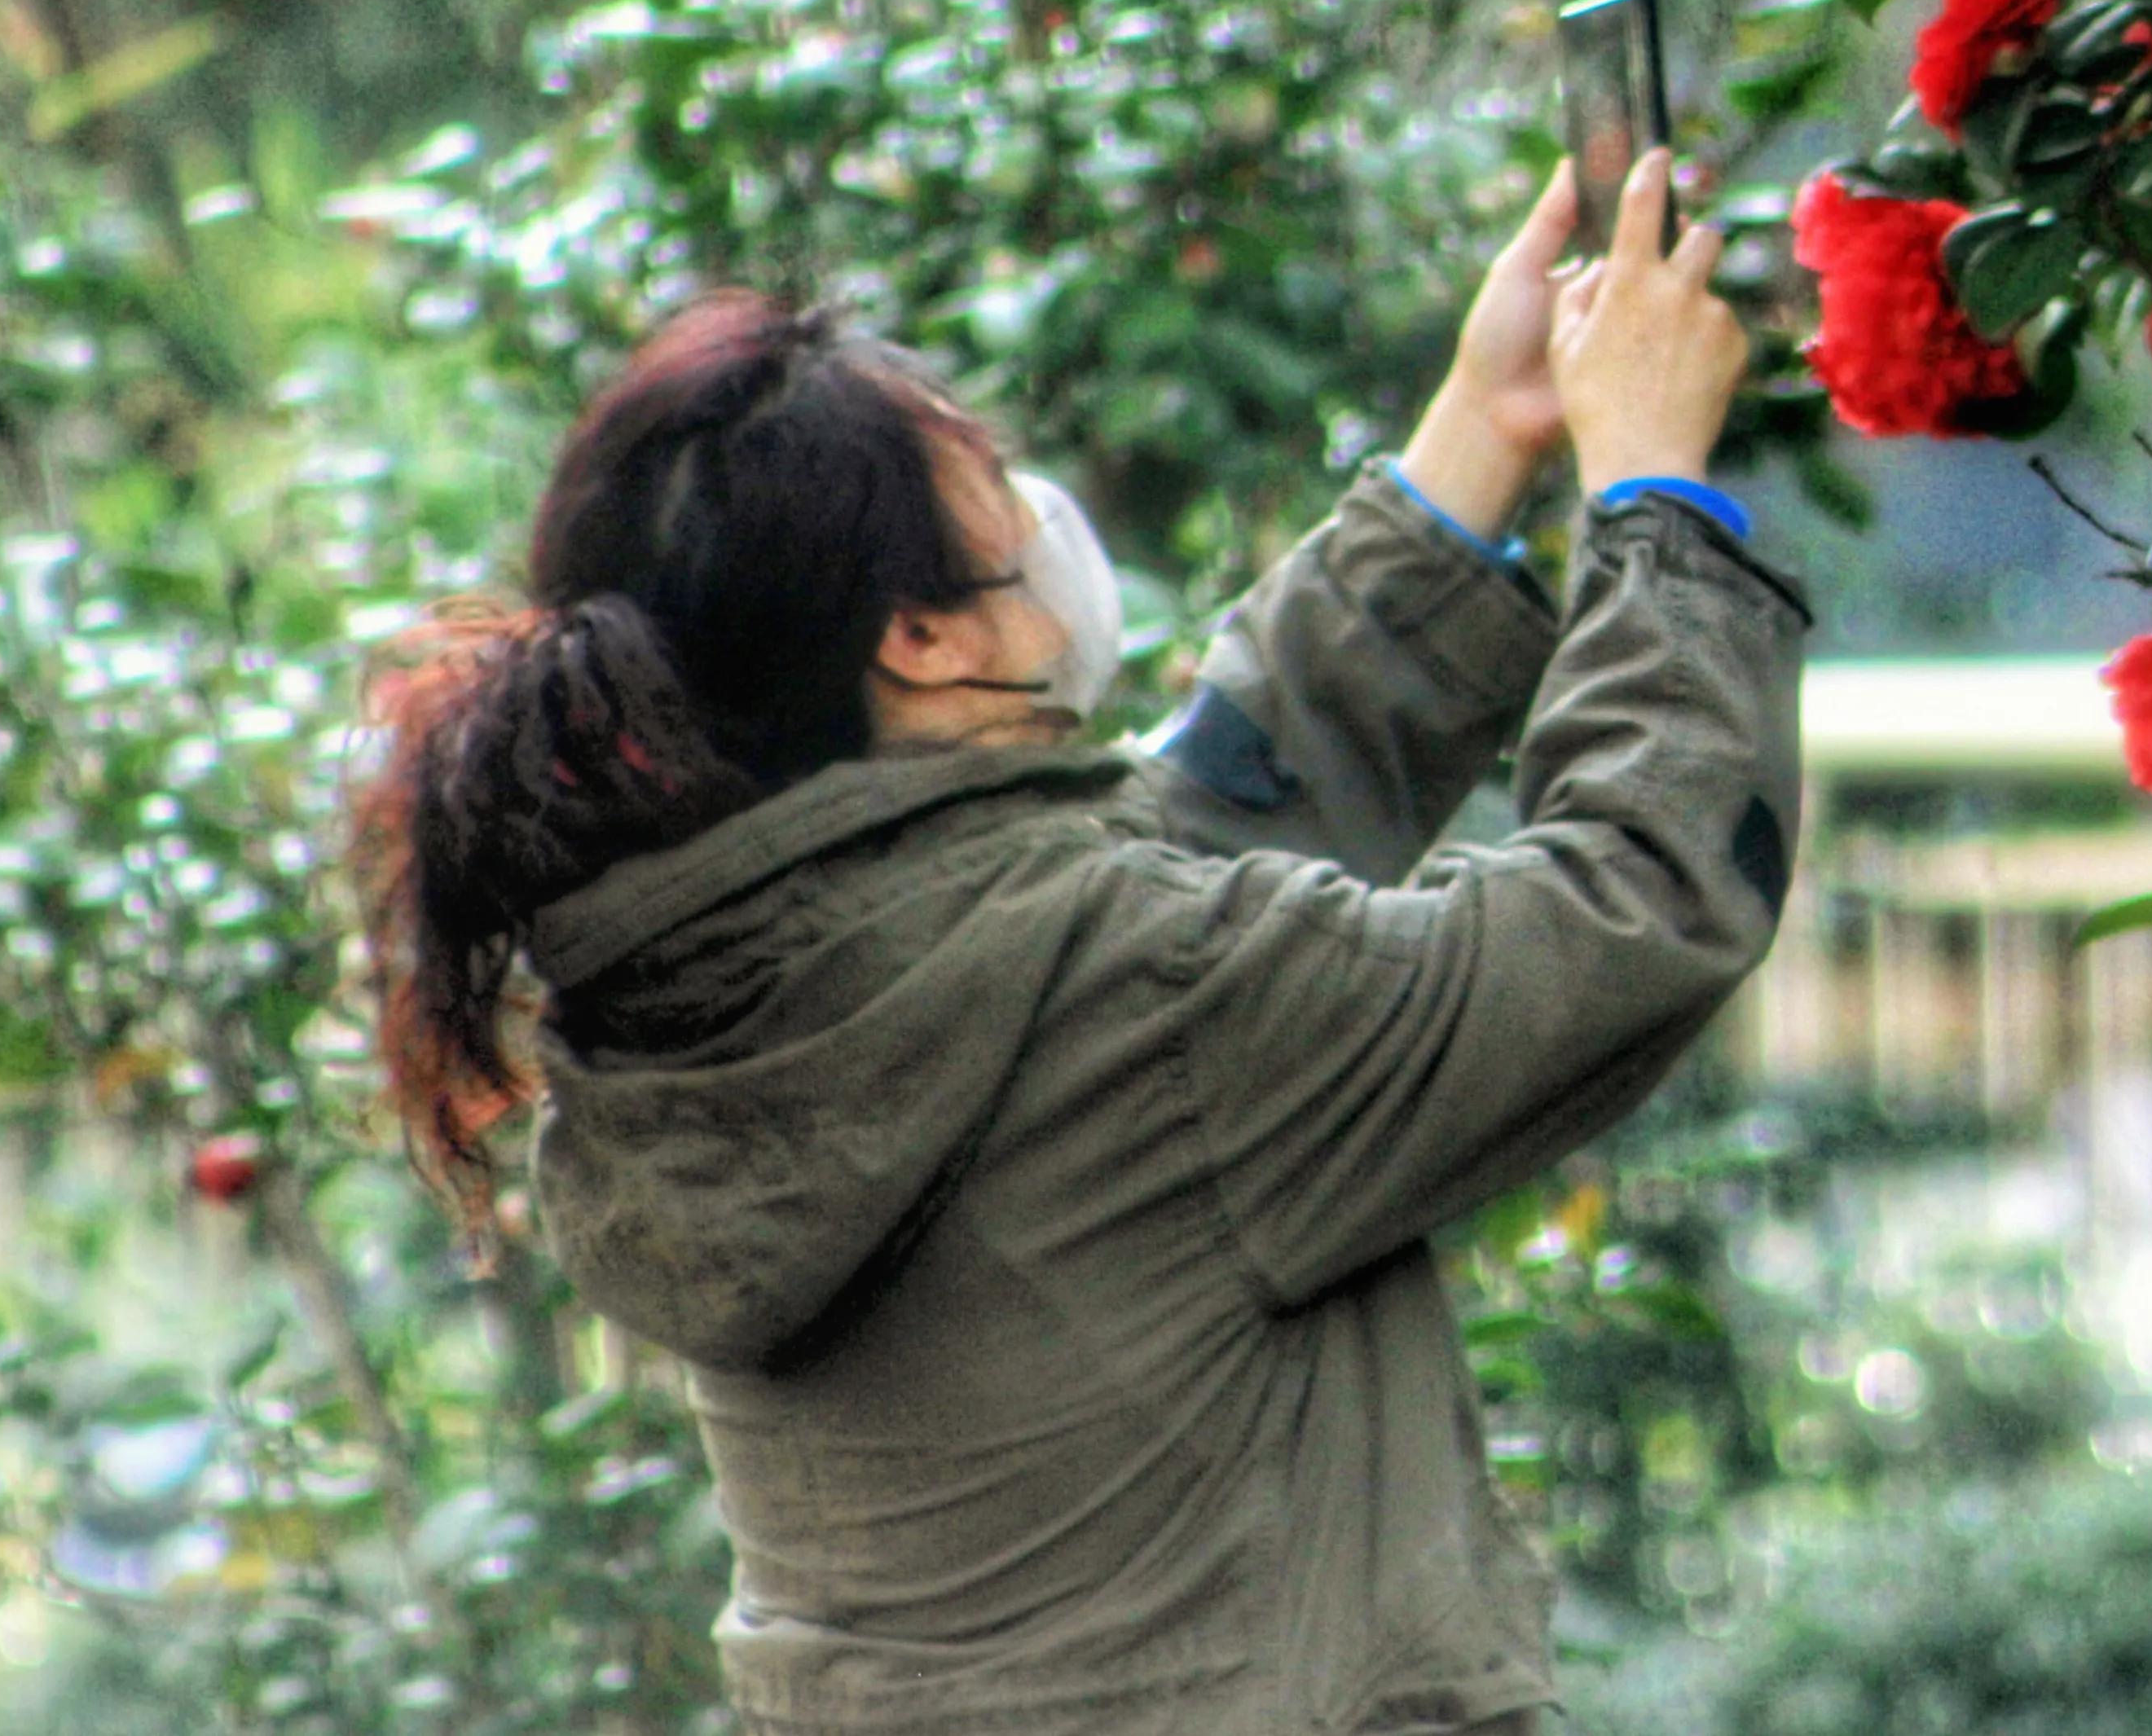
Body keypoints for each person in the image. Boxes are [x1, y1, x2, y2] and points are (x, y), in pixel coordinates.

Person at [352, 150, 1808, 1736]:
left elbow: (1175, 843)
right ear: (916, 636)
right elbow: (1636, 906)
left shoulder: (705, 990)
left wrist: (1485, 428)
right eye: (991, 481)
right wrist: (1657, 501)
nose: (1034, 513)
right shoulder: (1131, 985)